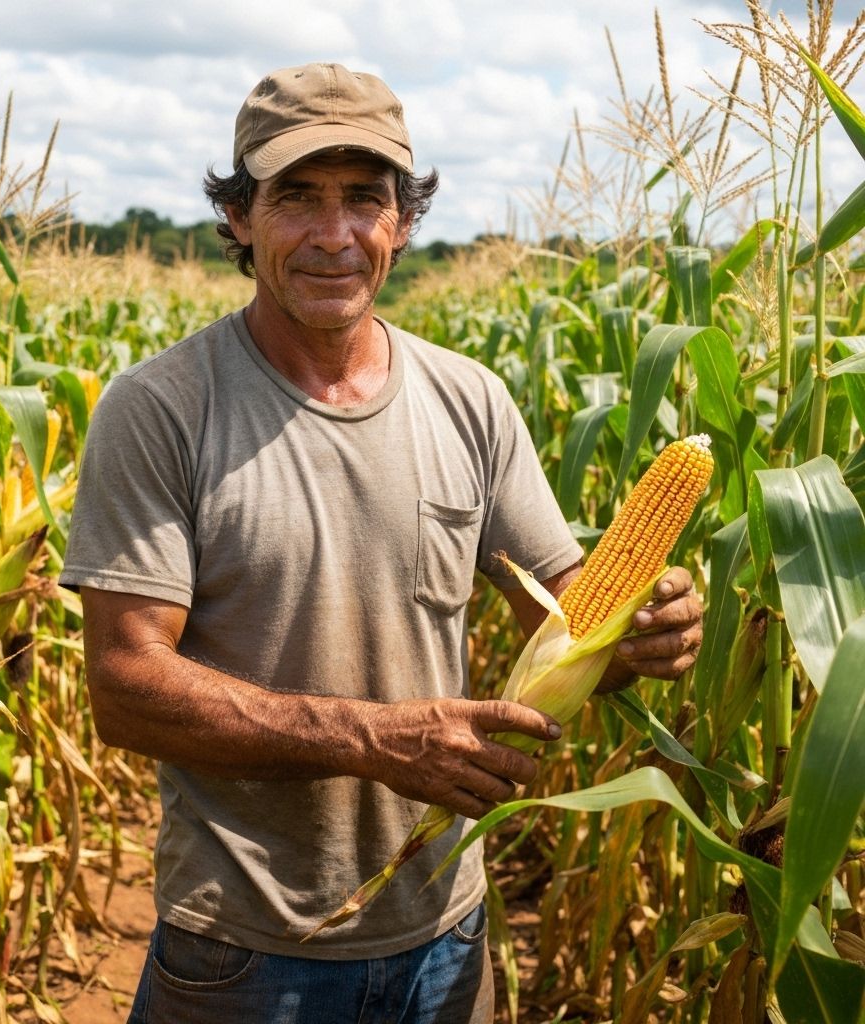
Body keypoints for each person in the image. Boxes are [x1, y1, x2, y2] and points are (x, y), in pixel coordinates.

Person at [60, 62, 703, 1024]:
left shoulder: (471, 400)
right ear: (239, 217)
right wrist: (372, 739)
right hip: (246, 949)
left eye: (364, 198)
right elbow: (124, 686)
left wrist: (642, 635)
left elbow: (574, 631)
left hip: (447, 937)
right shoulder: (162, 409)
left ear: (402, 221)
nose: (335, 234)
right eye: (296, 198)